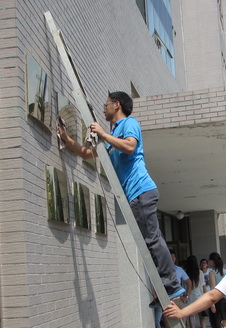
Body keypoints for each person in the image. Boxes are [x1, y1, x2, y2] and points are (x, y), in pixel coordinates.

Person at [57, 91, 184, 299]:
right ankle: (161, 291)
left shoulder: (128, 124)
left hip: (141, 190)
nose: (103, 109)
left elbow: (130, 146)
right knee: (147, 244)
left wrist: (103, 134)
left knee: (152, 240)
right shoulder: (114, 135)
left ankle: (172, 286)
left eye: (106, 104)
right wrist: (66, 138)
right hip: (135, 195)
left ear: (117, 105)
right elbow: (86, 154)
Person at [163, 250, 191, 328]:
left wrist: (187, 295)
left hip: (179, 299)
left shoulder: (179, 270)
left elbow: (188, 282)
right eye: (171, 257)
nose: (173, 259)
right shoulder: (162, 270)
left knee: (183, 324)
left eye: (174, 257)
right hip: (167, 300)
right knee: (169, 326)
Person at [186, 255, 209, 328]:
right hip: (199, 296)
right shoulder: (200, 272)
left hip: (190, 296)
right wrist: (206, 295)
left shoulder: (186, 273)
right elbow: (203, 285)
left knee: (191, 315)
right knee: (201, 315)